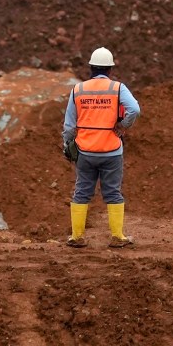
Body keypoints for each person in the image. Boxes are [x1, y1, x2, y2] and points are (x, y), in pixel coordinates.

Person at [62, 47, 139, 247]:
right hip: (111, 151)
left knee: (81, 192)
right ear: (110, 70)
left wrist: (67, 145)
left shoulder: (78, 90)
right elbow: (134, 109)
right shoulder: (117, 88)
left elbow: (69, 125)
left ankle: (77, 237)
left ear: (91, 68)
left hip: (85, 151)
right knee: (113, 192)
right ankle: (117, 237)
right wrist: (123, 126)